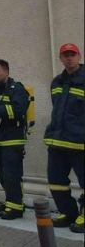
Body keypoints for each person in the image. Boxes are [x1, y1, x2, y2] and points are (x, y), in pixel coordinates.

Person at [0, 59, 30, 220]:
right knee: (3, 175)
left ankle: (16, 208)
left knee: (12, 175)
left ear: (6, 72)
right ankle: (11, 202)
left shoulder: (17, 89)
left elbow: (19, 110)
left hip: (12, 139)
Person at [44, 43, 84, 233]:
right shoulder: (56, 82)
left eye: (72, 54)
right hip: (57, 141)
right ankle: (68, 212)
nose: (69, 58)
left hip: (80, 143)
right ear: (60, 59)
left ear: (79, 56)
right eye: (65, 55)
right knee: (56, 181)